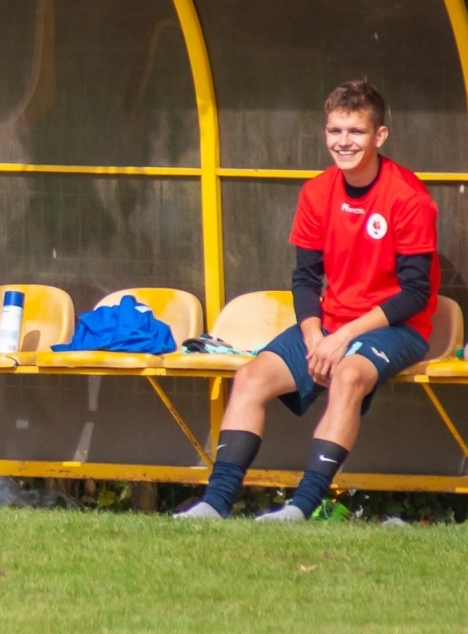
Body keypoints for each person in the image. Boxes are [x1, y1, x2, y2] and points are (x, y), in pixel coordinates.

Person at [177, 80, 439, 521]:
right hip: (330, 323)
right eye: (335, 131)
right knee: (251, 377)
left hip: (396, 328)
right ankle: (215, 504)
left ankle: (300, 508)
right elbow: (305, 277)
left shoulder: (408, 197)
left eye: (355, 132)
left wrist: (344, 337)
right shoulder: (317, 192)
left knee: (349, 375)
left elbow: (414, 293)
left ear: (380, 136)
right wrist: (315, 332)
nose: (344, 142)